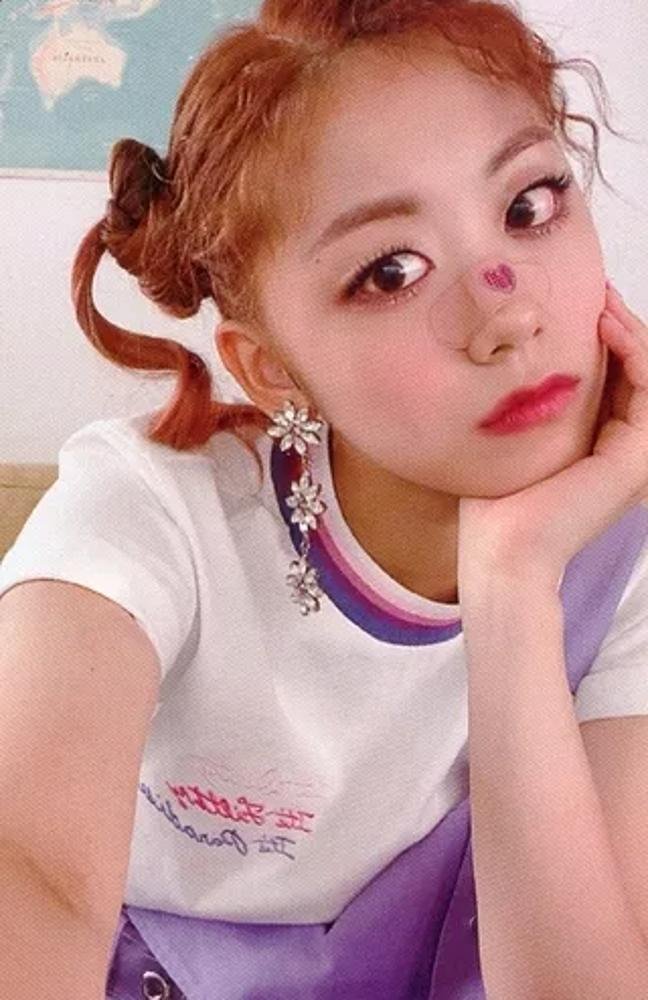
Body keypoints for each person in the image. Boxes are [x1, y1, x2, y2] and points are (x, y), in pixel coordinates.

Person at [2, 1, 648, 997]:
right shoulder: (150, 512)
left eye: (529, 205)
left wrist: (514, 584)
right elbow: (29, 872)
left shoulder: (621, 546)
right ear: (270, 370)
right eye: (392, 271)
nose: (506, 313)